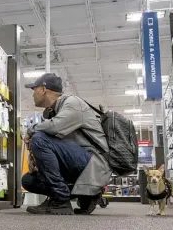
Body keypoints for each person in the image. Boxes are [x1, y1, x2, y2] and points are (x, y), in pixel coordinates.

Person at [22, 73, 110, 215]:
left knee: (39, 137)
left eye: (34, 89)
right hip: (78, 163)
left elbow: (55, 126)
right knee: (28, 180)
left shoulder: (73, 103)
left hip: (93, 163)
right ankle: (86, 195)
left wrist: (31, 130)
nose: (33, 94)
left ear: (44, 89)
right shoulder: (53, 111)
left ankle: (60, 199)